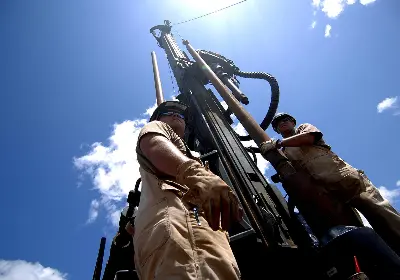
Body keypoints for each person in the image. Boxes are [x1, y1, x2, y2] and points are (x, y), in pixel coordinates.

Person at [261, 112, 400, 254]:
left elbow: (308, 138)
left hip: (346, 179)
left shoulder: (303, 129)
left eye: (285, 120)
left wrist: (277, 144)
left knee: (381, 214)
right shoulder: (285, 151)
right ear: (277, 130)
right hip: (327, 192)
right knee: (353, 230)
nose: (282, 123)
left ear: (293, 122)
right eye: (278, 124)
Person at [133, 100, 243, 279]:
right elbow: (154, 144)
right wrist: (199, 175)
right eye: (168, 112)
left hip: (192, 231)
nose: (176, 115)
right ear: (158, 118)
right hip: (182, 228)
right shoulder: (156, 127)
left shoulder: (187, 152)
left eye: (181, 115)